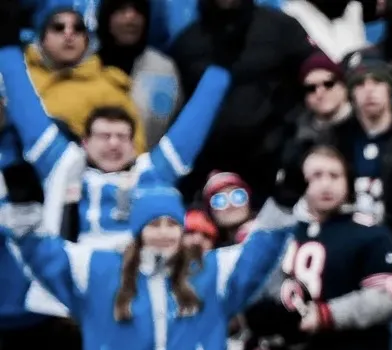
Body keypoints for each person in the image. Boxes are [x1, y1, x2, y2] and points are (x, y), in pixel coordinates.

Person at [3, 182, 289, 350]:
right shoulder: (98, 271)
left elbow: (260, 252)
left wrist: (282, 204)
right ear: (138, 231)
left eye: (172, 224)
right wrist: (25, 208)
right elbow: (43, 256)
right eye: (154, 224)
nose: (164, 233)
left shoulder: (210, 272)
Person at [235, 145, 392, 350]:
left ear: (348, 181)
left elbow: (386, 298)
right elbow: (245, 286)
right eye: (316, 176)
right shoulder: (275, 232)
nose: (326, 184)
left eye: (334, 175)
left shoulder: (371, 233)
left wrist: (324, 315)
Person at [1, 47, 227, 250]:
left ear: (133, 145)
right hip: (69, 285)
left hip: (133, 281)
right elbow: (26, 110)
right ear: (85, 143)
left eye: (122, 137)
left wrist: (220, 70)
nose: (113, 143)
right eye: (103, 136)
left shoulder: (152, 172)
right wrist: (7, 47)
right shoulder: (62, 164)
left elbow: (193, 126)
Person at [168, 0, 314, 197]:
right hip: (211, 172)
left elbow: (315, 76)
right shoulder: (186, 44)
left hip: (275, 164)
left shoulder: (282, 28)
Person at [330, 58, 392, 246]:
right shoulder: (338, 139)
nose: (369, 90)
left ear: (390, 88)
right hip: (349, 245)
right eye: (359, 84)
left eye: (377, 81)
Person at [24, 0, 136, 144]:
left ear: (87, 39)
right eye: (58, 27)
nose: (69, 34)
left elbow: (133, 148)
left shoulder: (108, 88)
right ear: (41, 37)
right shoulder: (14, 76)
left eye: (78, 28)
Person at [96, 0, 182, 145]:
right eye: (121, 10)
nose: (131, 18)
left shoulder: (164, 68)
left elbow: (175, 126)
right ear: (107, 18)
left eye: (138, 11)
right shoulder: (85, 68)